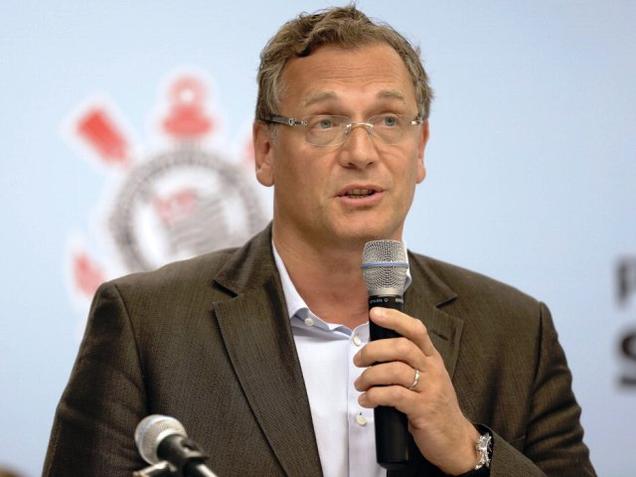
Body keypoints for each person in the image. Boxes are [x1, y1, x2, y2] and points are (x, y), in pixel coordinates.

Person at [44, 6, 595, 477]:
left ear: (421, 147)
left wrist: (469, 452)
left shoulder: (515, 333)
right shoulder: (147, 325)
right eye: (325, 123)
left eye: (388, 120)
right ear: (265, 151)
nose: (361, 153)